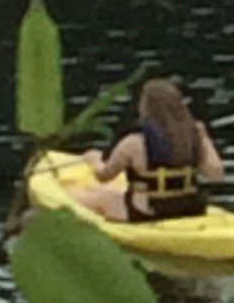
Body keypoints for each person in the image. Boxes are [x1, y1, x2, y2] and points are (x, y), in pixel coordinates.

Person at [75, 77, 225, 223]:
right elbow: (216, 174)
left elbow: (104, 176)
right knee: (112, 192)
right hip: (189, 209)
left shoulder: (134, 142)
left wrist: (93, 160)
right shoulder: (194, 136)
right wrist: (204, 137)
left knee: (98, 196)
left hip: (148, 212)